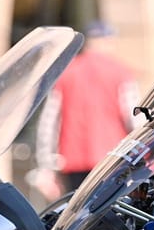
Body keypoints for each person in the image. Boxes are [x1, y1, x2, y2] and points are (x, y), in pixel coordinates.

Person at [34, 20, 138, 196]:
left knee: (77, 213)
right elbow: (133, 116)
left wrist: (46, 165)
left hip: (73, 158)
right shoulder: (120, 71)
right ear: (107, 41)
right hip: (112, 156)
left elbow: (49, 122)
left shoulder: (66, 72)